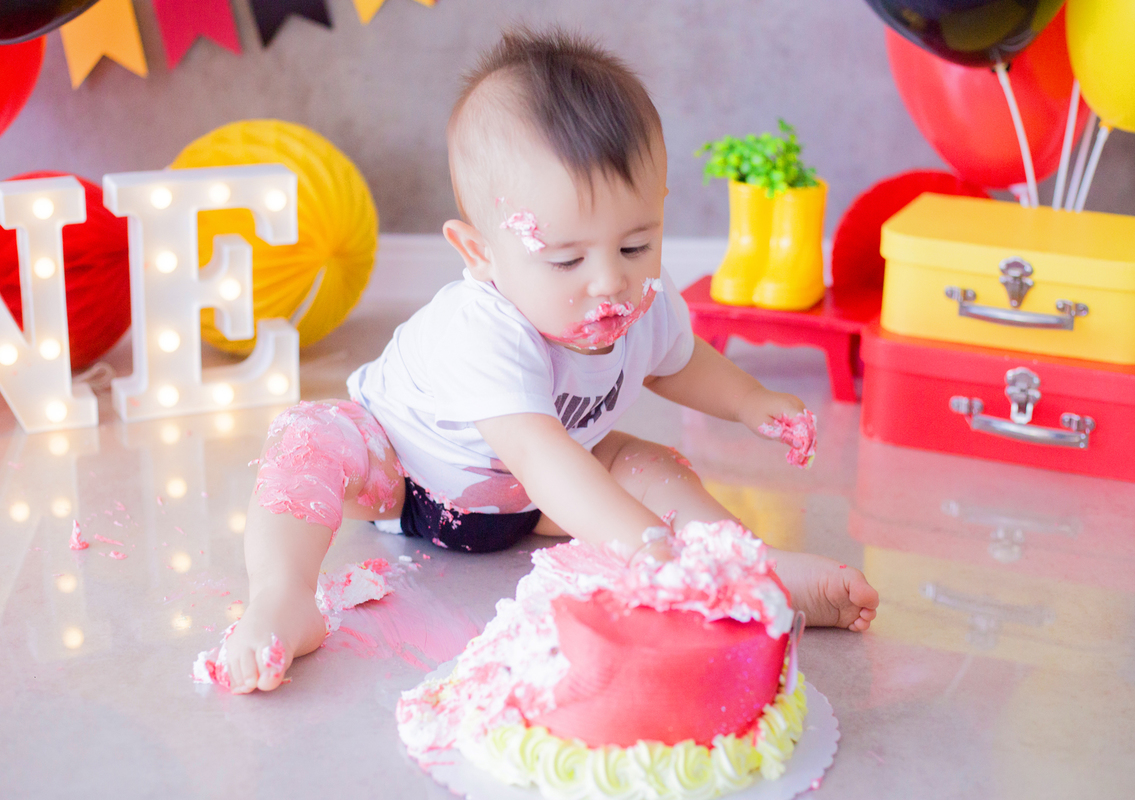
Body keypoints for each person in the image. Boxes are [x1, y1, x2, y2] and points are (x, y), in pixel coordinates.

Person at [222, 28, 878, 693]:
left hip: (526, 502)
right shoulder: (481, 327)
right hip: (401, 477)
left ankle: (743, 568)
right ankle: (283, 595)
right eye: (566, 259)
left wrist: (749, 402)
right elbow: (539, 454)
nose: (608, 282)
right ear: (479, 253)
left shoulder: (644, 302)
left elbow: (679, 362)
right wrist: (642, 543)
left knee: (649, 464)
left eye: (635, 245)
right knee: (310, 435)